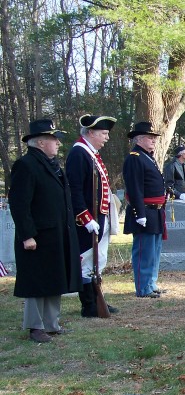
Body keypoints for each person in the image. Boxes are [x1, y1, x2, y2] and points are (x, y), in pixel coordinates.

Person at [8, 119, 82, 342]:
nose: (58, 143)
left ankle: (52, 323)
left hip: (56, 233)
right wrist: (27, 235)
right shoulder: (26, 165)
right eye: (54, 139)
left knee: (54, 278)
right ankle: (35, 326)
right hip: (37, 235)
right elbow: (20, 204)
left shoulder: (53, 166)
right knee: (37, 282)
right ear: (40, 142)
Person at [65, 114, 119, 317]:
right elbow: (75, 190)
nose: (106, 138)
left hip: (99, 217)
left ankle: (96, 299)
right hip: (87, 220)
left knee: (97, 260)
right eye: (103, 133)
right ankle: (88, 304)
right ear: (90, 133)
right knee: (87, 260)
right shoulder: (79, 154)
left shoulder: (91, 153)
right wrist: (86, 218)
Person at [123, 121, 166, 298]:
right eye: (150, 137)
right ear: (139, 139)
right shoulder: (135, 158)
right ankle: (143, 287)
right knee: (144, 252)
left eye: (154, 137)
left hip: (155, 211)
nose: (153, 140)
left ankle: (151, 283)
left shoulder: (148, 156)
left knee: (154, 251)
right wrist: (140, 214)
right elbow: (135, 188)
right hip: (144, 212)